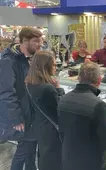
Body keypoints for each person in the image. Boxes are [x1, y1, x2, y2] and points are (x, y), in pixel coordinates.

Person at [58, 60, 106, 170]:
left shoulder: (63, 100)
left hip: (68, 161)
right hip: (92, 163)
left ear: (78, 78)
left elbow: (62, 134)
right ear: (99, 80)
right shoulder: (98, 105)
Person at [0, 27, 42, 170]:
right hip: (22, 116)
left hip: (31, 113)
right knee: (23, 151)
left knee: (30, 150)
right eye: (36, 41)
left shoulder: (28, 58)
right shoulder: (8, 60)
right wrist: (16, 118)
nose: (40, 44)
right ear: (24, 41)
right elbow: (6, 92)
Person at [25, 51, 64, 170]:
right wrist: (59, 89)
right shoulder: (48, 89)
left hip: (40, 126)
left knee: (44, 156)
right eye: (53, 65)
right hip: (52, 131)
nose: (56, 67)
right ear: (45, 66)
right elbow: (61, 108)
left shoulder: (29, 83)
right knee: (54, 160)